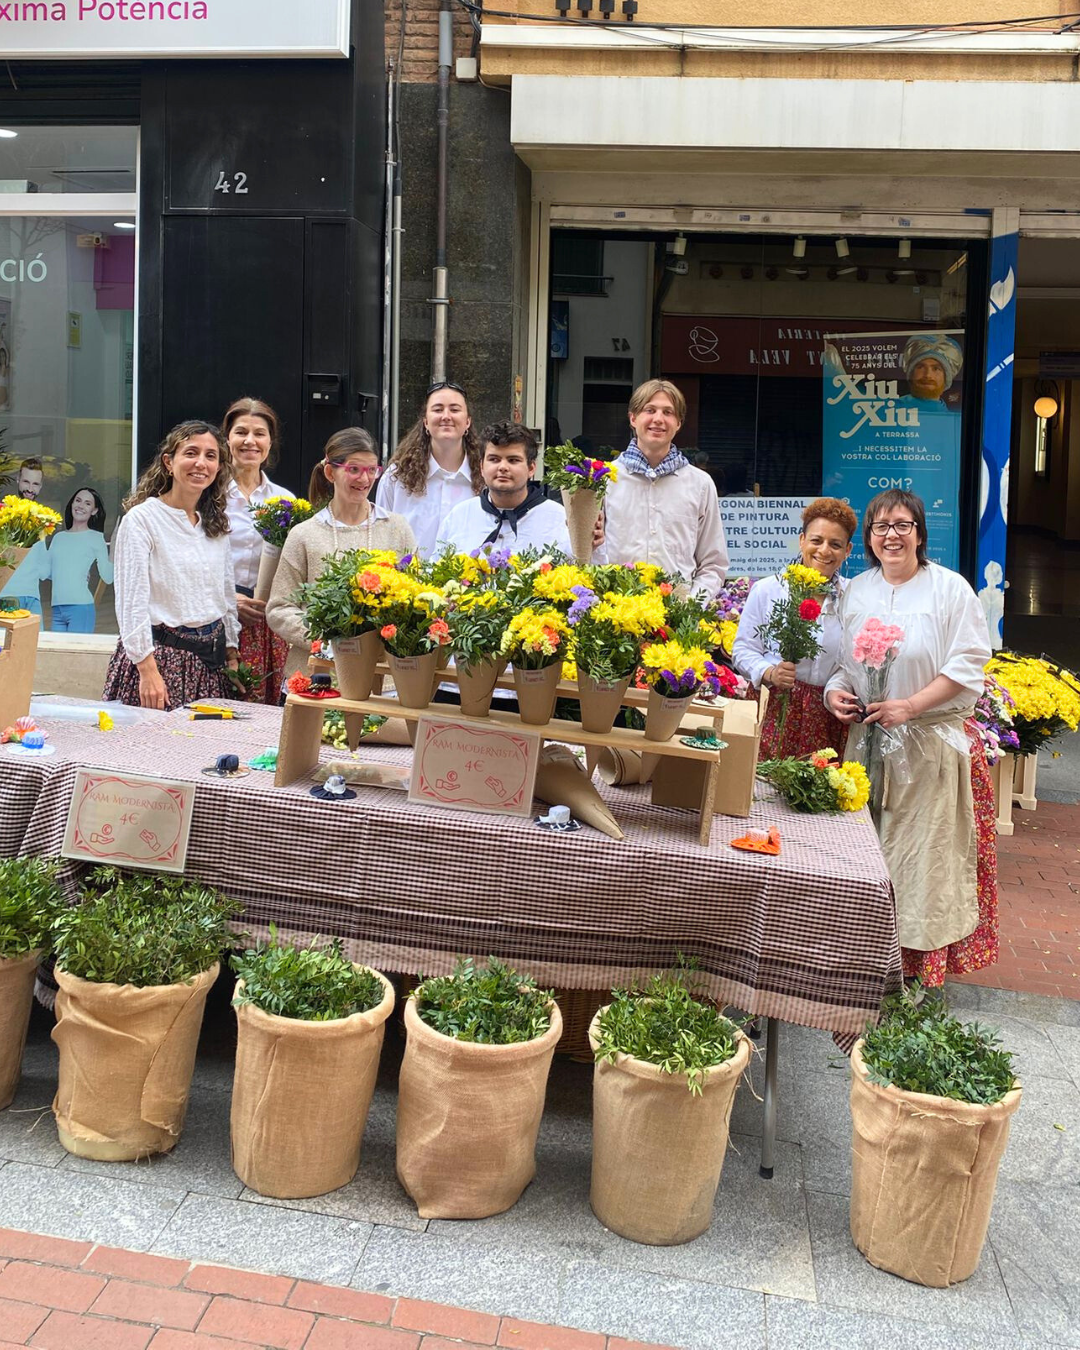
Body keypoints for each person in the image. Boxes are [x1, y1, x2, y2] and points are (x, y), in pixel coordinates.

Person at [824, 489, 996, 987]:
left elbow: (967, 665)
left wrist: (910, 706)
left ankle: (915, 976)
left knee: (923, 860)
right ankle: (864, 961)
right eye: (881, 527)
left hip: (928, 745)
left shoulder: (950, 589)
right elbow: (844, 666)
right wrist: (837, 694)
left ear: (920, 534)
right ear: (870, 540)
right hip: (868, 744)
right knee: (867, 853)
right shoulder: (856, 591)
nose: (891, 536)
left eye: (902, 525)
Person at [103, 421, 240, 710]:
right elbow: (131, 604)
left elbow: (225, 595)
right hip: (160, 661)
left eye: (210, 456)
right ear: (169, 461)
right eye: (191, 452)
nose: (200, 463)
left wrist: (231, 653)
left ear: (218, 467)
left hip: (210, 665)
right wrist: (147, 670)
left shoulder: (214, 524)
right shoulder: (142, 521)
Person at [267, 427, 415, 683]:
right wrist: (323, 638)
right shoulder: (304, 534)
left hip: (383, 679)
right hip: (315, 675)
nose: (364, 479)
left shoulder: (397, 527)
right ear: (329, 472)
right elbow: (279, 608)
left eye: (371, 470)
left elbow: (415, 596)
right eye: (354, 469)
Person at [733, 497, 857, 760]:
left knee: (817, 792)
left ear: (847, 551)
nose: (824, 551)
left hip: (825, 715)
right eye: (816, 540)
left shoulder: (854, 598)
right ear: (801, 540)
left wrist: (837, 689)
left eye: (835, 544)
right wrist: (769, 672)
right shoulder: (768, 590)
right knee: (760, 789)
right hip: (772, 707)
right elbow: (743, 649)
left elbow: (851, 663)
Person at [602, 379, 729, 594]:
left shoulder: (700, 484)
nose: (658, 419)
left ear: (679, 423)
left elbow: (713, 564)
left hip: (677, 619)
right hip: (616, 616)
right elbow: (588, 554)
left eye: (668, 412)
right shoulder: (604, 480)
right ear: (633, 418)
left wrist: (691, 607)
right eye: (649, 410)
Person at [222, 397, 294, 704]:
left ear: (270, 442)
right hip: (218, 615)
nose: (250, 441)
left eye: (259, 434)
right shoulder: (208, 495)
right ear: (227, 439)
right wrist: (228, 600)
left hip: (266, 622)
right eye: (241, 432)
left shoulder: (285, 501)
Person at [435, 421, 572, 556]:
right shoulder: (459, 517)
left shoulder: (560, 520)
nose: (503, 467)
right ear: (482, 467)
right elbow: (436, 571)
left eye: (513, 460)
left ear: (531, 468)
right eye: (494, 459)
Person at [378, 381, 482, 557]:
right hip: (407, 582)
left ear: (467, 422)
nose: (446, 416)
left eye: (455, 410)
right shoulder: (396, 476)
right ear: (426, 422)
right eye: (438, 409)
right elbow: (380, 535)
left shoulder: (485, 477)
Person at [47, 487, 113, 633]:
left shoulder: (96, 538)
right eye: (78, 500)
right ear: (72, 504)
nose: (81, 506)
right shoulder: (58, 538)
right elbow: (47, 573)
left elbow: (108, 577)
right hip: (57, 608)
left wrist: (114, 547)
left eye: (87, 503)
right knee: (57, 654)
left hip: (81, 608)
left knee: (75, 655)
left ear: (94, 511)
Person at [898, 334, 963, 408]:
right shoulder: (889, 411)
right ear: (911, 373)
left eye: (936, 368)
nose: (928, 375)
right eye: (921, 367)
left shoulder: (955, 416)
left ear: (946, 377)